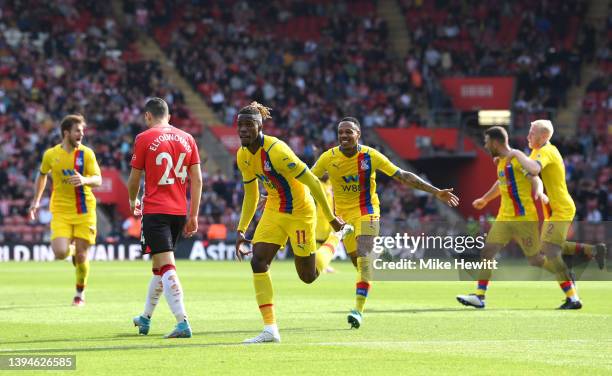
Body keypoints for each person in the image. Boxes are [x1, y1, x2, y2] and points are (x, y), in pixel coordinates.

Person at [311, 117, 459, 328]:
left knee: (364, 259)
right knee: (358, 264)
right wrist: (275, 196)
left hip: (368, 211)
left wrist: (435, 192)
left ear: (358, 134)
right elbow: (305, 180)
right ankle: (369, 263)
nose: (344, 136)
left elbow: (402, 175)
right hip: (343, 218)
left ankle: (358, 311)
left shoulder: (370, 156)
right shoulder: (328, 158)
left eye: (348, 132)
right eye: (340, 132)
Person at [235, 102, 353, 344]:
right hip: (274, 209)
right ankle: (270, 329)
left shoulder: (277, 151)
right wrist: (241, 228)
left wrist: (331, 219)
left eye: (249, 125)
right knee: (258, 260)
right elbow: (251, 194)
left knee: (308, 276)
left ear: (260, 127)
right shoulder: (243, 155)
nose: (244, 130)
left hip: (300, 211)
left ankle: (336, 239)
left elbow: (311, 180)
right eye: (240, 126)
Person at [507, 120, 606, 309]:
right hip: (553, 209)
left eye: (531, 133)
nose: (528, 136)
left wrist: (517, 156)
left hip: (561, 208)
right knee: (550, 247)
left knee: (550, 250)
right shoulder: (538, 151)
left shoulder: (546, 151)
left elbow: (534, 169)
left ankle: (573, 298)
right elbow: (532, 173)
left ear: (543, 137)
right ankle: (592, 251)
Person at [128, 98, 202, 337]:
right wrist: (194, 215)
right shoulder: (188, 139)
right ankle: (146, 318)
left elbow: (134, 178)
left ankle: (183, 322)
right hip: (179, 212)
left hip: (155, 211)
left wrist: (132, 199)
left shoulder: (144, 138)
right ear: (168, 117)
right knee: (158, 267)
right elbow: (198, 180)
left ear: (148, 116)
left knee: (167, 265)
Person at [29, 114, 102, 307]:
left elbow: (98, 179)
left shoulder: (86, 154)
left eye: (82, 131)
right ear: (66, 133)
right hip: (61, 210)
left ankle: (79, 293)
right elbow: (42, 175)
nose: (81, 134)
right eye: (77, 131)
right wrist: (36, 201)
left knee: (82, 255)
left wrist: (84, 180)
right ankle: (72, 252)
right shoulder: (51, 155)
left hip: (85, 210)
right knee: (60, 252)